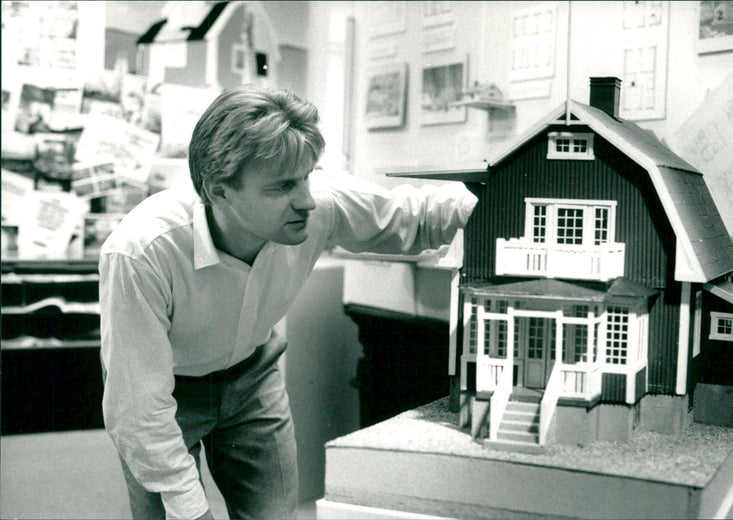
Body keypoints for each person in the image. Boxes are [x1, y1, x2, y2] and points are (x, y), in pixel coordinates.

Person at [99, 85, 477, 520]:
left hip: (252, 376)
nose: (306, 200)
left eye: (307, 176)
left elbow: (418, 216)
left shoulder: (317, 204)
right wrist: (191, 510)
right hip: (163, 394)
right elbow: (139, 410)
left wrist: (505, 193)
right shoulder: (141, 251)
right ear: (219, 190)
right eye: (282, 186)